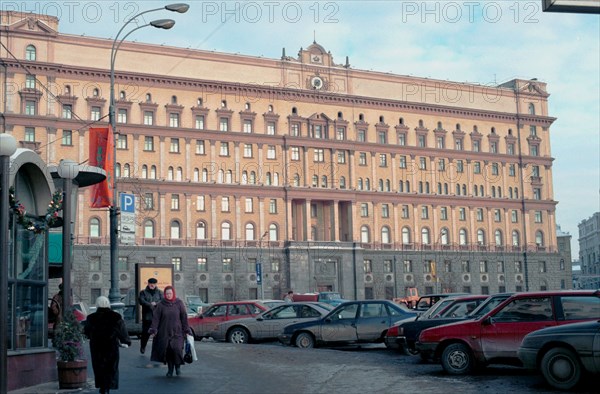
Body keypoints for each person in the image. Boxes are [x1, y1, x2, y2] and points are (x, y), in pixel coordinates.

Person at [83, 296, 131, 394]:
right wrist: (126, 341)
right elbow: (122, 331)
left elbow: (86, 332)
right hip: (111, 346)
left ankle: (102, 386)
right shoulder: (115, 317)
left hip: (96, 347)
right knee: (111, 367)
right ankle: (108, 387)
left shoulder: (91, 318)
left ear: (97, 304)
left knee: (99, 367)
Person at [149, 285, 190, 377]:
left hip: (177, 332)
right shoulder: (161, 305)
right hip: (164, 332)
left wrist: (186, 329)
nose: (168, 295)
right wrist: (153, 330)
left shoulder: (179, 303)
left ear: (173, 293)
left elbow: (184, 317)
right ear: (164, 294)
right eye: (167, 293)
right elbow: (156, 319)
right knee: (168, 351)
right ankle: (170, 370)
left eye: (170, 293)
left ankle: (178, 367)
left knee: (177, 349)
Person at [138, 277, 163, 354]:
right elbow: (141, 301)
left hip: (157, 316)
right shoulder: (143, 292)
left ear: (155, 284)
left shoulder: (159, 292)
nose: (152, 285)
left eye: (153, 284)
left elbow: (162, 300)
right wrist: (150, 305)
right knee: (145, 333)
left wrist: (156, 303)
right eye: (150, 284)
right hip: (147, 317)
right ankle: (143, 346)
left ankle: (157, 349)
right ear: (148, 284)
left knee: (158, 334)